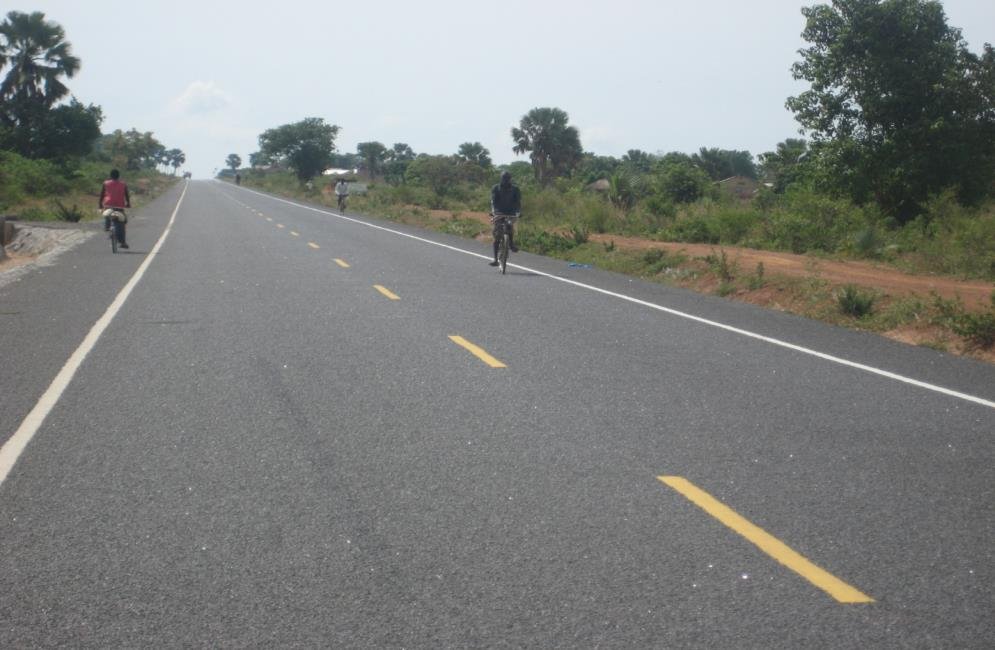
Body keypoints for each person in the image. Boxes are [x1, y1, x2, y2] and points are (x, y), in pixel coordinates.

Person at [489, 170, 521, 266]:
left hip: (511, 212)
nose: (505, 180)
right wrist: (494, 211)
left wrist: (518, 212)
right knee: (497, 235)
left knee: (509, 226)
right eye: (504, 178)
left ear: (510, 179)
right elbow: (493, 201)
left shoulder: (515, 189)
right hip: (499, 212)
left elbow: (518, 202)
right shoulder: (496, 188)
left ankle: (511, 244)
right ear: (501, 178)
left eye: (507, 178)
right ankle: (495, 259)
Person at [99, 168, 131, 249]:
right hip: (119, 206)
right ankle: (123, 242)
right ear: (118, 176)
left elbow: (102, 194)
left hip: (108, 205)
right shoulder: (123, 184)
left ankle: (107, 228)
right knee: (123, 221)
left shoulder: (106, 183)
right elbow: (126, 195)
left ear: (110, 176)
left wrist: (100, 205)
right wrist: (128, 203)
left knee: (107, 215)